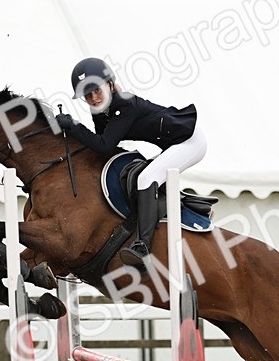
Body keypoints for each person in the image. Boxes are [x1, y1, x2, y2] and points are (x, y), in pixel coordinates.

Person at [54, 57, 206, 269]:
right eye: (87, 95)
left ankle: (142, 247)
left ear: (109, 84)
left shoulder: (124, 104)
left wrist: (74, 126)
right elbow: (99, 143)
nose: (94, 98)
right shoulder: (100, 109)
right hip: (173, 144)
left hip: (190, 141)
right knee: (137, 174)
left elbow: (105, 145)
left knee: (146, 178)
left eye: (97, 90)